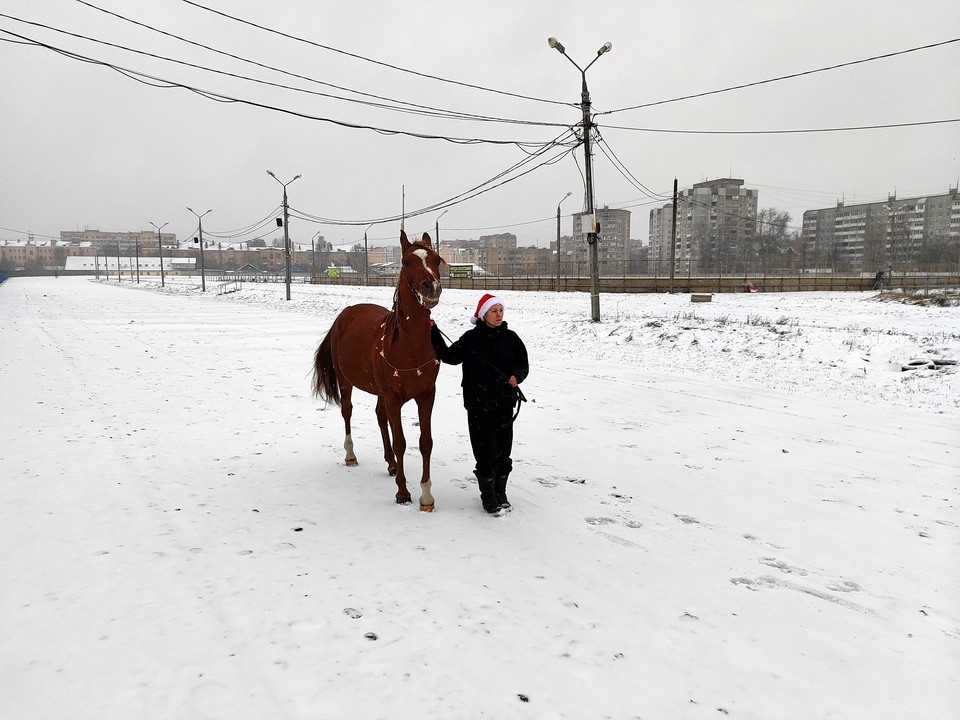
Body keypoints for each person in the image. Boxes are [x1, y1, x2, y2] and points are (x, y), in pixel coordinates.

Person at [431, 293, 529, 514]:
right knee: (485, 453)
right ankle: (488, 496)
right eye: (494, 311)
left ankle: (500, 492)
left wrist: (516, 376)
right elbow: (449, 356)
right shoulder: (470, 338)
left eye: (501, 310)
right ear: (484, 314)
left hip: (505, 404)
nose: (498, 315)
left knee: (504, 452)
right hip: (478, 405)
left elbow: (523, 364)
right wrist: (434, 331)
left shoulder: (511, 338)